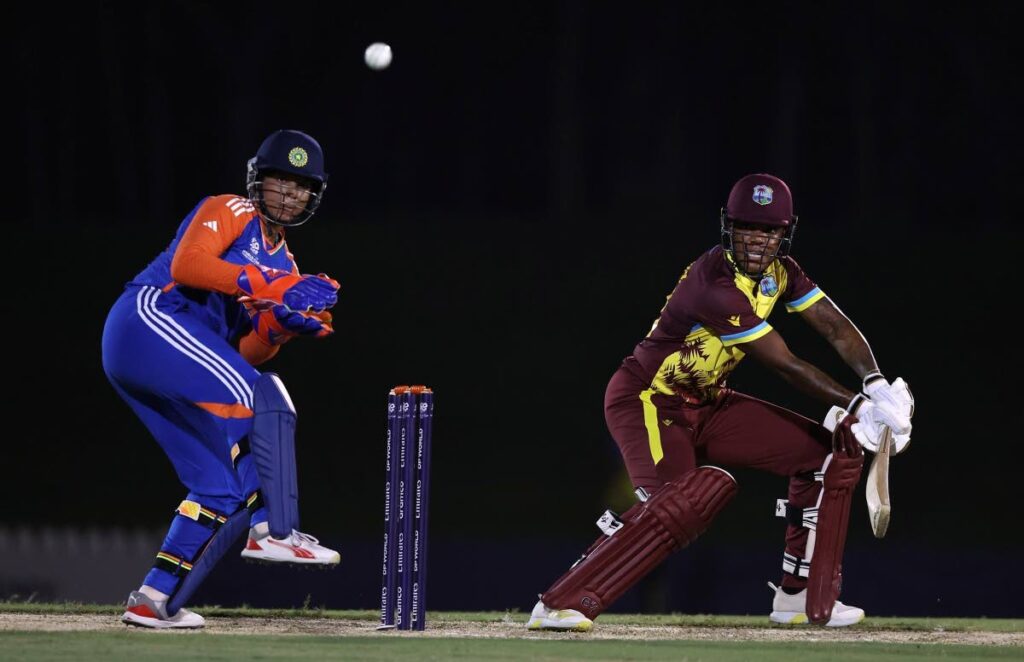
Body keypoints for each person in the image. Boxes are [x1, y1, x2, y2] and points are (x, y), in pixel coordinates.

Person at [526, 173, 915, 631]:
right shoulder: (714, 283)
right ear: (728, 227)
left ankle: (799, 594)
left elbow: (832, 324)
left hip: (708, 402)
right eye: (747, 226)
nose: (757, 239)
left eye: (768, 230)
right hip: (650, 400)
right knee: (678, 506)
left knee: (825, 455)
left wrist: (875, 382)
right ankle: (560, 601)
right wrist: (857, 406)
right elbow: (783, 363)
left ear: (784, 233)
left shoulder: (782, 273)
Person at [102, 129, 343, 629]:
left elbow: (241, 353)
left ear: (312, 198)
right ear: (258, 182)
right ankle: (275, 528)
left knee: (218, 487)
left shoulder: (288, 263)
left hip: (169, 354)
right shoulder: (233, 209)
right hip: (149, 318)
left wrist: (280, 326)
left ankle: (154, 599)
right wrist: (272, 286)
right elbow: (189, 266)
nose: (288, 194)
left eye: (301, 187)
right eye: (280, 180)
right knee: (262, 395)